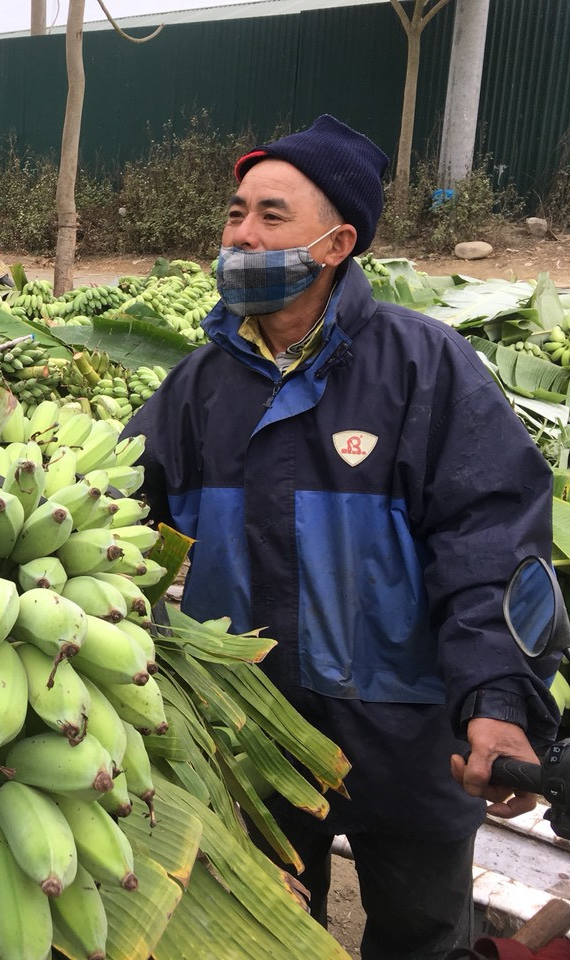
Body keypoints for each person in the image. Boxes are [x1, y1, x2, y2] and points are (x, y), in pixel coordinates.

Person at [122, 115, 560, 959]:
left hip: (405, 735)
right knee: (275, 934)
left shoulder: (421, 367)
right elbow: (115, 505)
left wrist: (500, 699)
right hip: (250, 729)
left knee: (423, 937)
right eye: (235, 213)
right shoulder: (200, 384)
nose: (241, 234)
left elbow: (491, 542)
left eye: (271, 216)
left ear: (336, 242)